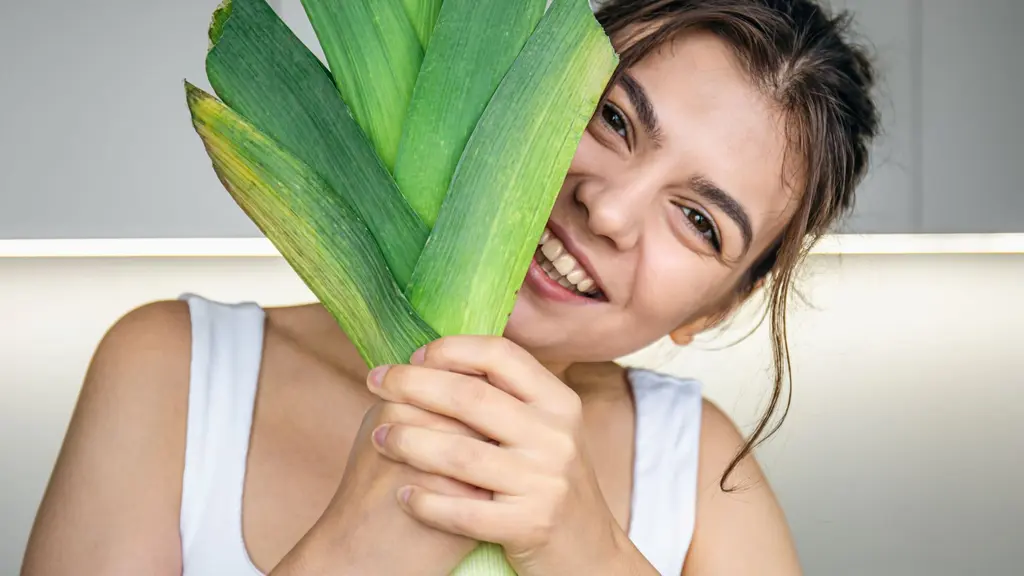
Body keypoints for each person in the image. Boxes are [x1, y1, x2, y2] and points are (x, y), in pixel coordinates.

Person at [21, 0, 879, 574]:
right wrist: (349, 553)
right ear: (522, 89)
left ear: (714, 309)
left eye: (699, 221)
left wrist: (587, 550)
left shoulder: (697, 471)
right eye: (609, 119)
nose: (610, 208)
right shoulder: (177, 369)